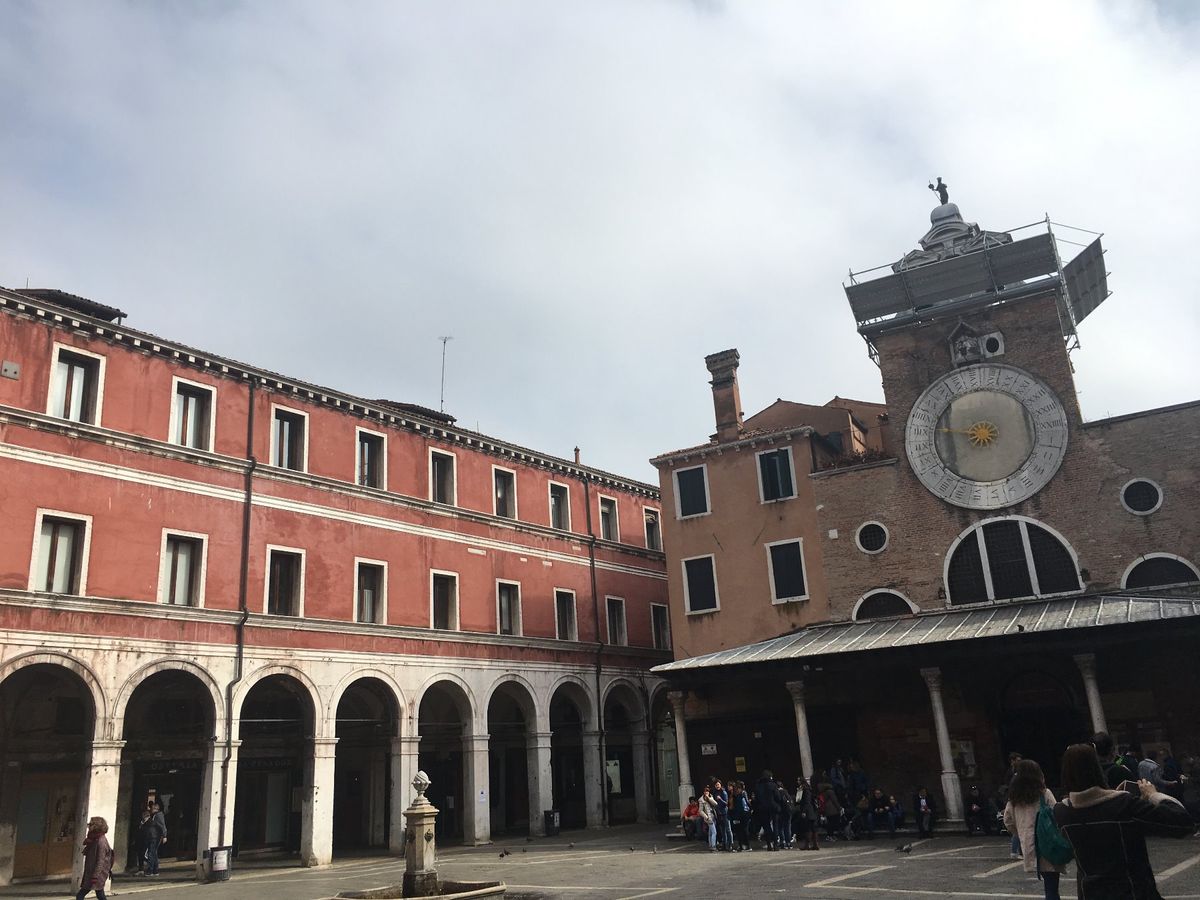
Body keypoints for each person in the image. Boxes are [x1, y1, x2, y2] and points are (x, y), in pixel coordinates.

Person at [1055, 742, 1193, 900]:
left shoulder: (1062, 812)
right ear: (1096, 768)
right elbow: (1183, 823)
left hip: (1091, 893)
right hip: (1133, 892)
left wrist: (1113, 795)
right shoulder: (1123, 804)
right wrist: (1153, 795)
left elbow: (1093, 812)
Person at [1003, 759, 1067, 900]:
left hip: (1029, 845)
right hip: (1048, 844)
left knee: (1048, 886)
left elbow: (1008, 821)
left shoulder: (1014, 799)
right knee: (1052, 887)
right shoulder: (1044, 793)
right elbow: (1057, 814)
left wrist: (1021, 833)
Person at [77, 816, 114, 900]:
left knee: (80, 895)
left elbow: (100, 861)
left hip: (96, 874)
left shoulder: (101, 842)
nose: (89, 826)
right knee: (100, 894)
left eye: (91, 824)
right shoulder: (94, 839)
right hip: (92, 872)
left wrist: (95, 876)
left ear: (96, 827)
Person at [753, 771, 779, 850]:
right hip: (773, 807)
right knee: (775, 825)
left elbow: (756, 798)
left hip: (762, 808)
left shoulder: (758, 786)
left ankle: (769, 844)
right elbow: (777, 797)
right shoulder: (773, 785)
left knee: (766, 826)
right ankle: (775, 844)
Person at [793, 775, 819, 851]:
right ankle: (815, 844)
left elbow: (805, 801)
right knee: (813, 828)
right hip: (812, 810)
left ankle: (807, 845)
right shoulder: (808, 788)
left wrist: (804, 811)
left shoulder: (804, 789)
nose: (797, 782)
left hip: (808, 811)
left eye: (799, 780)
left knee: (808, 828)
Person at [144, 801, 167, 875]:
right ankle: (155, 870)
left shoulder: (158, 816)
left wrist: (164, 836)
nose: (150, 809)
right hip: (153, 835)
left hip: (155, 836)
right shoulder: (154, 815)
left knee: (151, 853)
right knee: (154, 853)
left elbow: (162, 826)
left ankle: (150, 870)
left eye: (152, 808)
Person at [729, 781, 752, 851]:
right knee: (740, 830)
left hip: (741, 815)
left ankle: (745, 845)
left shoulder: (740, 796)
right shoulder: (739, 795)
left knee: (742, 830)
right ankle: (743, 845)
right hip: (741, 814)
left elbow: (741, 807)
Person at [712, 779, 732, 850]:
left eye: (718, 784)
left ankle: (730, 844)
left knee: (728, 829)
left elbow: (726, 803)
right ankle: (724, 845)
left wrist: (720, 799)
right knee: (722, 830)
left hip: (725, 813)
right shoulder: (715, 793)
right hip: (719, 813)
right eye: (716, 785)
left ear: (720, 785)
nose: (717, 786)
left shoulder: (724, 792)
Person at [698, 786, 718, 851]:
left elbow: (716, 804)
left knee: (710, 832)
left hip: (713, 815)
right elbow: (700, 811)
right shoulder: (701, 800)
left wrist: (709, 798)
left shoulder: (711, 797)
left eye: (707, 791)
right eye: (705, 791)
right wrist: (706, 817)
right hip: (708, 817)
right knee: (714, 832)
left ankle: (710, 845)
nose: (706, 792)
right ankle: (713, 846)